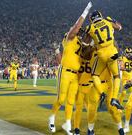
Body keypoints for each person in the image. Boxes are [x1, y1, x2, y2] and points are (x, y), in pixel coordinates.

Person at [48, 2, 92, 135]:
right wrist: (85, 12)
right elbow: (77, 27)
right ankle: (51, 118)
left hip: (75, 75)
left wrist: (92, 34)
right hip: (65, 71)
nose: (78, 32)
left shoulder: (80, 43)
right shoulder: (69, 39)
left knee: (71, 101)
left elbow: (88, 52)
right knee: (61, 99)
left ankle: (67, 124)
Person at [85, 11, 123, 110]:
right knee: (117, 76)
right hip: (112, 53)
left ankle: (102, 93)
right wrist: (113, 20)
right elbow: (119, 27)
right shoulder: (107, 21)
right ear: (100, 16)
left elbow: (85, 42)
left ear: (91, 19)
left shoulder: (90, 27)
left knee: (94, 75)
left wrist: (93, 41)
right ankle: (114, 98)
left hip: (101, 54)